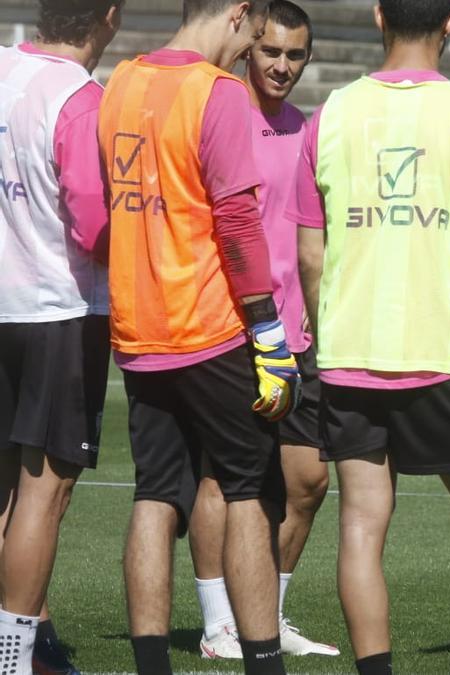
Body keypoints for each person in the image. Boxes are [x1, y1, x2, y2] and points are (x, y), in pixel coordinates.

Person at [292, 1, 450, 673]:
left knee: (362, 527)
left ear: (377, 15)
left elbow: (311, 256)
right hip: (448, 355)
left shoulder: (329, 116)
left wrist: (328, 330)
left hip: (349, 355)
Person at [98, 0, 300, 672]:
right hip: (211, 327)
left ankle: (152, 664)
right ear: (239, 13)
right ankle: (262, 659)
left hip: (138, 327)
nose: (255, 47)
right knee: (250, 491)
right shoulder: (217, 93)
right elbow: (238, 224)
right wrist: (269, 336)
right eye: (256, 31)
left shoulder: (121, 80)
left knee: (156, 492)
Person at [187, 0, 339, 660]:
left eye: (295, 54)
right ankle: (219, 622)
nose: (282, 64)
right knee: (225, 479)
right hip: (232, 328)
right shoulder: (220, 110)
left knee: (307, 482)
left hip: (295, 332)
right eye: (271, 50)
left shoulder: (303, 126)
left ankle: (265, 617)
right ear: (249, 47)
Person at [0, 1, 121, 672]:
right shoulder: (80, 97)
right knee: (44, 493)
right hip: (57, 311)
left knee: (6, 492)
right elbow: (93, 229)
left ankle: (18, 651)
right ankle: (14, 658)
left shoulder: (2, 67)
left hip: (5, 300)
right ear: (108, 15)